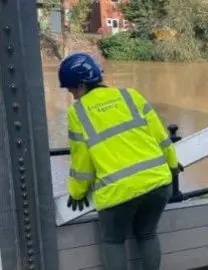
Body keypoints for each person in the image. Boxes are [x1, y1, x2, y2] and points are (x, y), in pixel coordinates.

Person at [59, 52, 183, 270]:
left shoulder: (77, 112)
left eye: (71, 89)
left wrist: (77, 192)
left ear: (80, 84)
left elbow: (82, 162)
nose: (72, 95)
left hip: (117, 193)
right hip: (158, 183)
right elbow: (161, 138)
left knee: (113, 241)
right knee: (147, 234)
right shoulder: (130, 96)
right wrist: (172, 166)